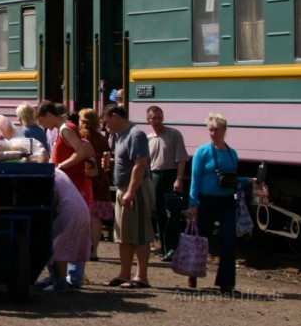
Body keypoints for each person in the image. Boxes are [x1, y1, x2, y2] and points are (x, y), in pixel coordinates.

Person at [187, 113, 257, 294]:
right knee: (202, 239)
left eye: (216, 130)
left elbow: (231, 179)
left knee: (229, 240)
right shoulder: (202, 152)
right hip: (206, 200)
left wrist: (249, 180)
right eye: (210, 130)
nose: (212, 133)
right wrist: (193, 203)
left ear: (224, 130)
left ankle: (226, 283)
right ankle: (193, 272)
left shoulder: (232, 154)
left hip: (226, 200)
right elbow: (195, 179)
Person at [103, 104, 154, 289]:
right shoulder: (119, 135)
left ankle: (141, 277)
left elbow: (140, 164)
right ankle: (124, 274)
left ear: (115, 117)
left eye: (107, 121)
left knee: (139, 233)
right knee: (123, 235)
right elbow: (126, 161)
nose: (106, 126)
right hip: (123, 189)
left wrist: (131, 192)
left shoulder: (135, 134)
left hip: (135, 189)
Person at [37, 169, 92, 292]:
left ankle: (60, 282)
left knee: (57, 245)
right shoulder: (56, 171)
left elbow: (53, 197)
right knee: (75, 244)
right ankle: (73, 278)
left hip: (68, 209)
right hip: (81, 208)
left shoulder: (46, 174)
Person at [146, 105, 189, 261]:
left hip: (170, 174)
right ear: (148, 120)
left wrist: (179, 178)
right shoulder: (148, 139)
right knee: (159, 213)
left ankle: (173, 247)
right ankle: (164, 248)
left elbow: (182, 158)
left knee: (173, 212)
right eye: (154, 118)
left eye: (159, 117)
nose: (157, 121)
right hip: (154, 175)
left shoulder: (173, 134)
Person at [79, 108, 112, 260]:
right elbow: (107, 160)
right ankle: (94, 250)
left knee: (86, 214)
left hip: (86, 179)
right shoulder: (102, 138)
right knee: (96, 216)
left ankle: (85, 248)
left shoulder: (81, 136)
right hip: (101, 180)